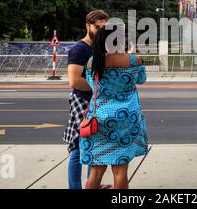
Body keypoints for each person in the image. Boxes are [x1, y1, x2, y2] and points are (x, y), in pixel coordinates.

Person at [80, 25, 148, 189]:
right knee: (120, 171)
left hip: (100, 119)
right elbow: (141, 79)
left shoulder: (93, 62)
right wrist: (131, 53)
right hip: (126, 119)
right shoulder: (134, 60)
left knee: (95, 171)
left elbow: (91, 85)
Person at [63, 10, 109, 189]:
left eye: (104, 28)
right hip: (82, 101)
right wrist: (100, 89)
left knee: (95, 145)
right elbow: (74, 81)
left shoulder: (101, 48)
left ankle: (93, 184)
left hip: (97, 102)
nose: (100, 31)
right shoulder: (79, 49)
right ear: (88, 26)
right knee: (78, 147)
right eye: (97, 27)